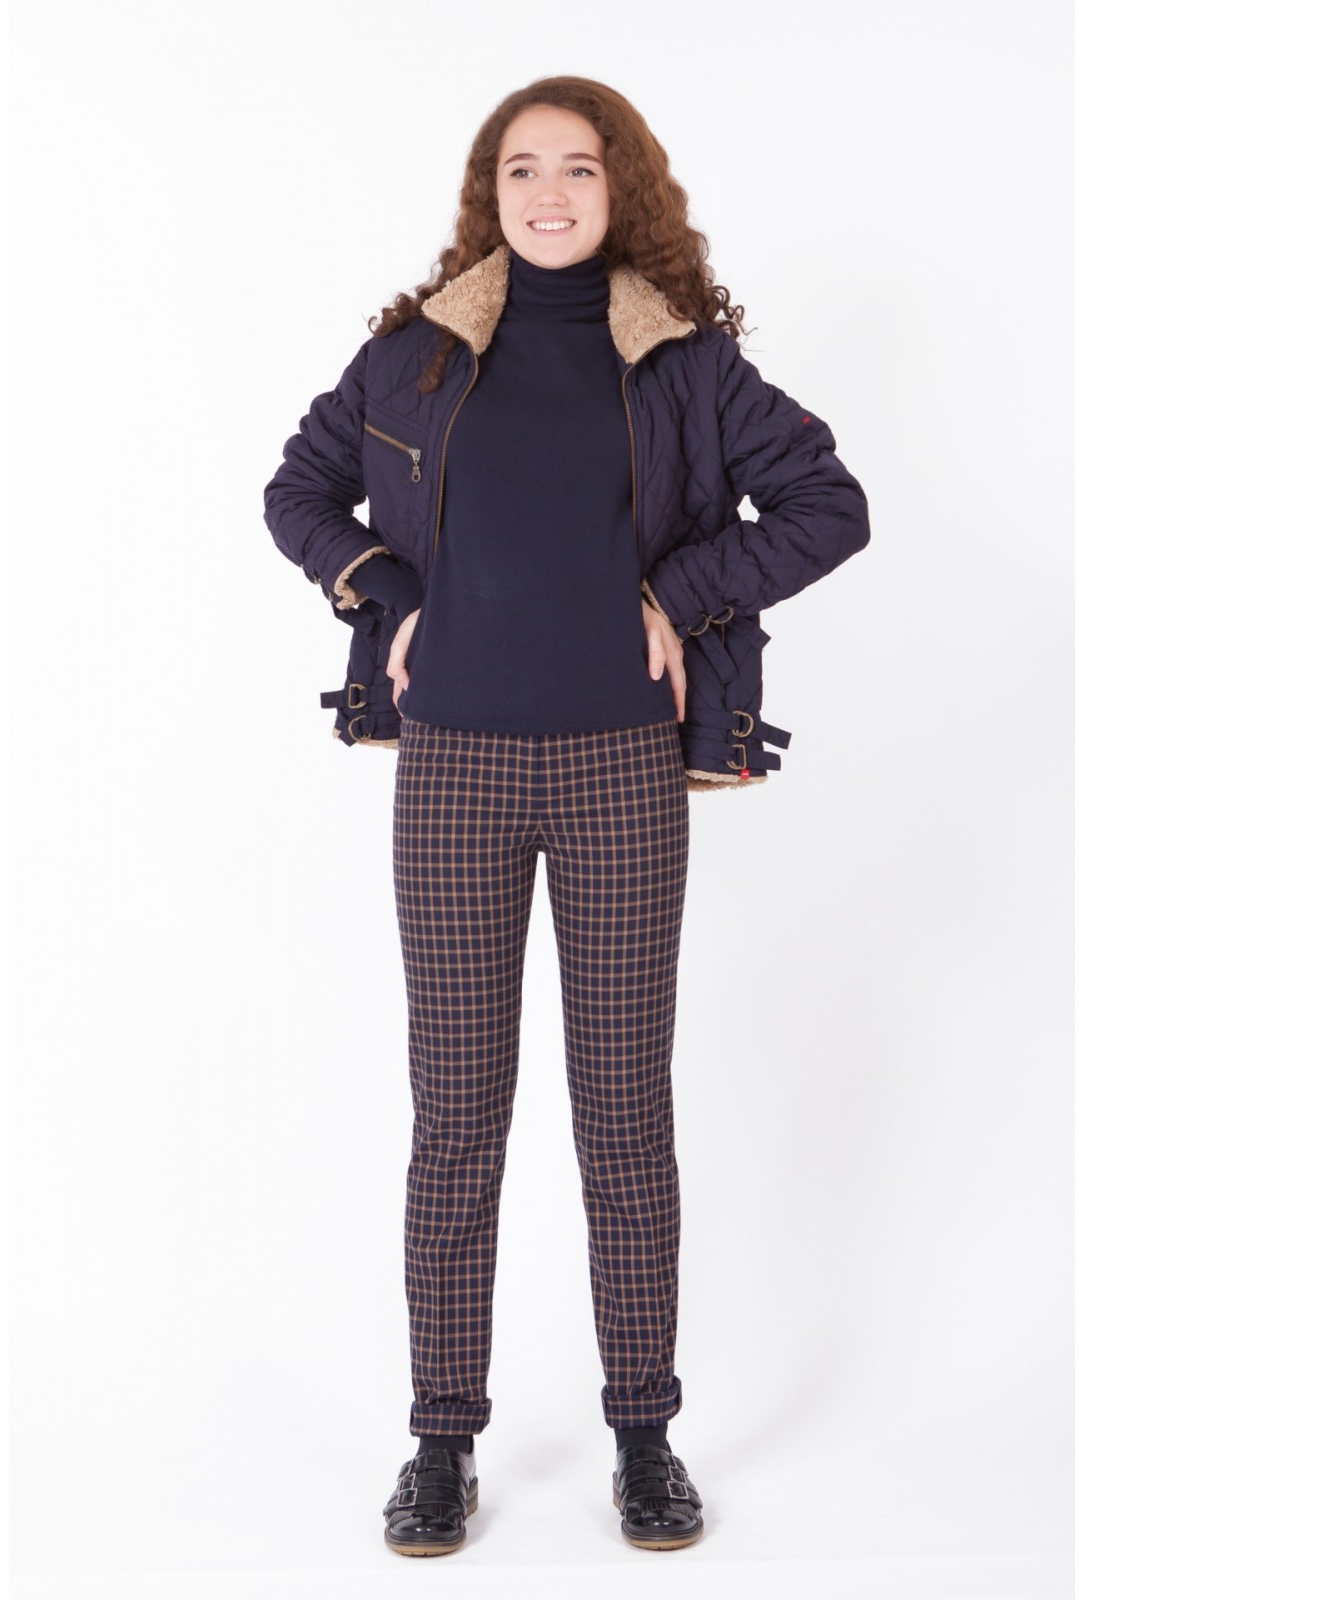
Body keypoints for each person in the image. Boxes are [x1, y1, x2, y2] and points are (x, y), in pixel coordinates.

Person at [262, 75, 870, 1558]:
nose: (548, 193)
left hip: (619, 767)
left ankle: (646, 1437)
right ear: (491, 191)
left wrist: (684, 590)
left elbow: (828, 504)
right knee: (457, 1118)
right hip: (454, 768)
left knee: (623, 1117)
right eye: (522, 168)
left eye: (579, 169)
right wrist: (383, 592)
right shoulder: (411, 357)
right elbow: (299, 492)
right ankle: (441, 1442)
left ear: (621, 188)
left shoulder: (685, 363)